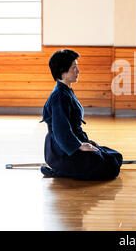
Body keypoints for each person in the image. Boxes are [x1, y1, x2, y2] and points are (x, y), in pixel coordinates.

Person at [40, 49, 123, 180]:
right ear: (63, 72)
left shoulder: (65, 91)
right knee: (110, 167)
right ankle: (59, 170)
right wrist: (78, 145)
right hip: (62, 151)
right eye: (74, 68)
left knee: (115, 156)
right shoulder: (59, 97)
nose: (78, 71)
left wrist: (85, 142)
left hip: (70, 144)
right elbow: (61, 130)